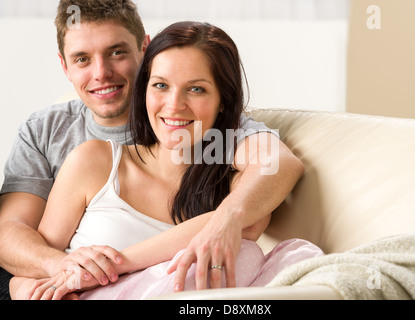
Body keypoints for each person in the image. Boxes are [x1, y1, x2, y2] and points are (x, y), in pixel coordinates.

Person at [0, 0, 304, 300]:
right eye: (82, 59)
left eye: (116, 52)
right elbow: (15, 246)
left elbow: (277, 165)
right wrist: (60, 274)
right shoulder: (69, 145)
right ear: (64, 65)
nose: (101, 73)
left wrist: (227, 219)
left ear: (143, 51)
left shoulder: (228, 151)